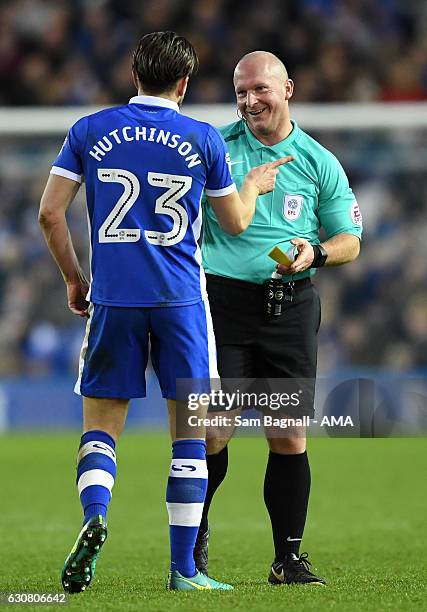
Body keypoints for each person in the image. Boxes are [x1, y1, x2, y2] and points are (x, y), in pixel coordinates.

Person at [38, 33, 292, 594]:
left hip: (113, 297)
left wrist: (75, 280)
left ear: (134, 74)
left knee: (102, 426)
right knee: (189, 435)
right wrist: (251, 184)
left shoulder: (90, 130)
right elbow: (235, 224)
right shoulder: (203, 138)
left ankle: (94, 515)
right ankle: (183, 570)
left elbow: (50, 215)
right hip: (180, 302)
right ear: (183, 83)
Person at [196, 51, 363, 585]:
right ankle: (191, 541)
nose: (249, 101)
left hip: (290, 307)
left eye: (260, 90)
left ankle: (288, 559)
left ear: (287, 89)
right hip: (220, 305)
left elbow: (350, 240)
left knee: (288, 435)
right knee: (213, 432)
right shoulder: (214, 150)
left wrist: (315, 252)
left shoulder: (317, 160)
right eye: (241, 92)